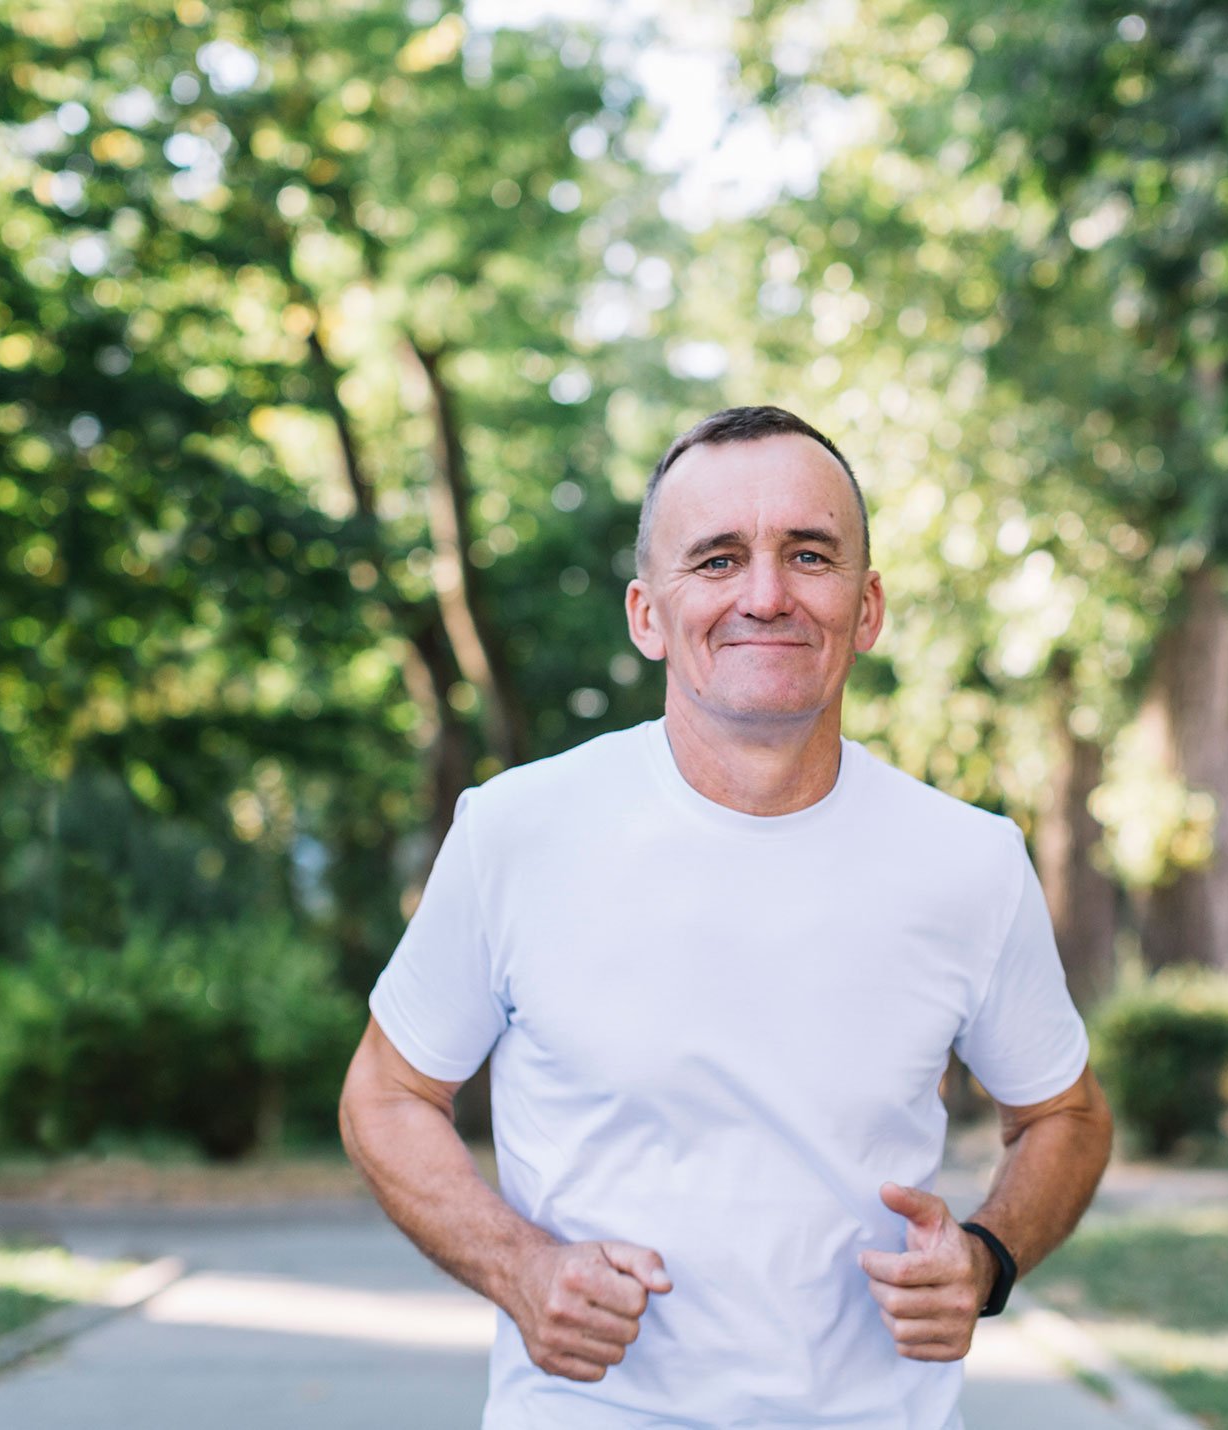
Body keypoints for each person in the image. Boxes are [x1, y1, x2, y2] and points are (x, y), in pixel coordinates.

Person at [339, 405, 1114, 1430]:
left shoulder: (967, 860)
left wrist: (985, 1254)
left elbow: (1065, 1115)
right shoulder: (516, 830)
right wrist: (518, 1266)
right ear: (646, 612)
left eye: (808, 553)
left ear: (867, 603)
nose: (765, 594)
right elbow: (385, 1093)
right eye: (715, 559)